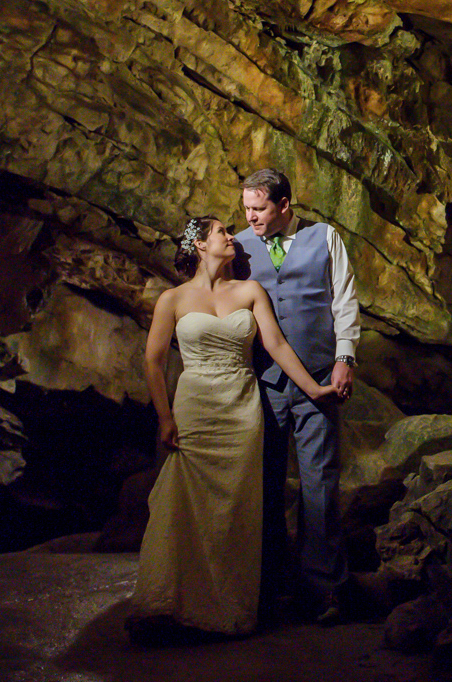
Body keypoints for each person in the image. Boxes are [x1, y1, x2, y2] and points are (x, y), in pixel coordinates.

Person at [127, 215, 336, 642]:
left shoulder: (249, 290)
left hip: (241, 408)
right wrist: (165, 416)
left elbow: (276, 345)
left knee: (235, 509)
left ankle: (225, 607)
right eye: (222, 231)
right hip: (195, 408)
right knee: (186, 505)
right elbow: (153, 360)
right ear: (200, 245)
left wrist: (314, 388)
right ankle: (172, 604)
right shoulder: (173, 298)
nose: (232, 238)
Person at [234, 169, 359, 625]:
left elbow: (344, 299)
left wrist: (345, 356)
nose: (251, 217)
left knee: (319, 482)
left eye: (259, 208)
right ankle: (266, 589)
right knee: (263, 485)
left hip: (320, 377)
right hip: (262, 382)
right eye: (247, 209)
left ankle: (323, 591)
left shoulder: (325, 237)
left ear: (284, 204)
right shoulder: (237, 245)